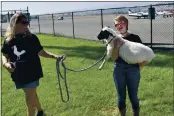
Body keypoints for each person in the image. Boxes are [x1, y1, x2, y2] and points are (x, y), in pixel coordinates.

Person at [1, 13, 65, 116]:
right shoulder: (8, 41)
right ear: (14, 24)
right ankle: (40, 111)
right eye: (24, 22)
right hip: (18, 74)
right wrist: (5, 64)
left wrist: (55, 56)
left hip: (32, 73)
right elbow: (4, 55)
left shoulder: (32, 38)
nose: (27, 24)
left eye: (27, 22)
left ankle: (36, 112)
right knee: (32, 95)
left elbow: (41, 52)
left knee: (29, 100)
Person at [112, 15, 147, 116]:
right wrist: (117, 47)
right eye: (116, 24)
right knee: (121, 96)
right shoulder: (114, 39)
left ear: (126, 23)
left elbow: (144, 54)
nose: (119, 26)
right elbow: (114, 58)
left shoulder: (135, 38)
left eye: (121, 23)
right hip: (119, 70)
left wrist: (140, 66)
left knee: (133, 96)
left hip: (133, 70)